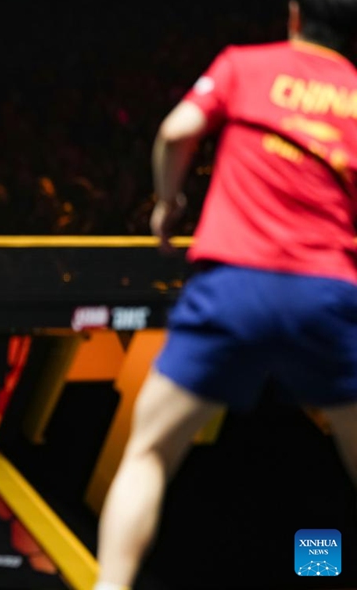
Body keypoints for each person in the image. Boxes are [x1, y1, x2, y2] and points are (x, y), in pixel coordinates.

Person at [93, 1, 357, 588]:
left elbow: (176, 130)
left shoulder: (246, 65)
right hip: (328, 295)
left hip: (232, 286)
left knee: (149, 453)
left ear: (294, 16)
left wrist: (168, 204)